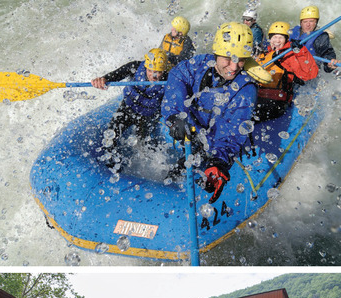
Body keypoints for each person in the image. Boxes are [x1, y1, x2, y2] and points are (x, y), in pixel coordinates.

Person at [161, 22, 258, 203]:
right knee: (178, 170)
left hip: (218, 140)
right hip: (197, 131)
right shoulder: (201, 64)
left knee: (205, 171)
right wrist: (175, 115)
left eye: (241, 59)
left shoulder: (245, 89)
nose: (234, 66)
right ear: (216, 54)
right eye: (228, 58)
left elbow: (231, 130)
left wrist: (218, 163)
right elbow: (177, 76)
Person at [91, 48, 169, 170]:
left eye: (158, 72)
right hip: (128, 108)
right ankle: (115, 167)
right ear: (145, 66)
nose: (153, 75)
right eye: (150, 70)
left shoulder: (170, 78)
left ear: (164, 70)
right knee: (109, 139)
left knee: (143, 145)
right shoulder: (135, 67)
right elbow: (116, 74)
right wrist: (103, 79)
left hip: (148, 115)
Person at [255, 21, 319, 121]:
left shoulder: (289, 56)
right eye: (274, 37)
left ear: (286, 40)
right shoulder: (264, 54)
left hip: (276, 102)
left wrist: (301, 51)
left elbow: (309, 74)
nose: (277, 40)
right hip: (258, 96)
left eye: (280, 37)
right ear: (270, 39)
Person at [290, 5, 340, 72]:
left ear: (316, 22)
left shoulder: (320, 38)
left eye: (311, 21)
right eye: (305, 22)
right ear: (301, 23)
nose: (308, 24)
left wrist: (330, 65)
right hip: (290, 66)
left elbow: (327, 54)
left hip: (308, 72)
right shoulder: (293, 31)